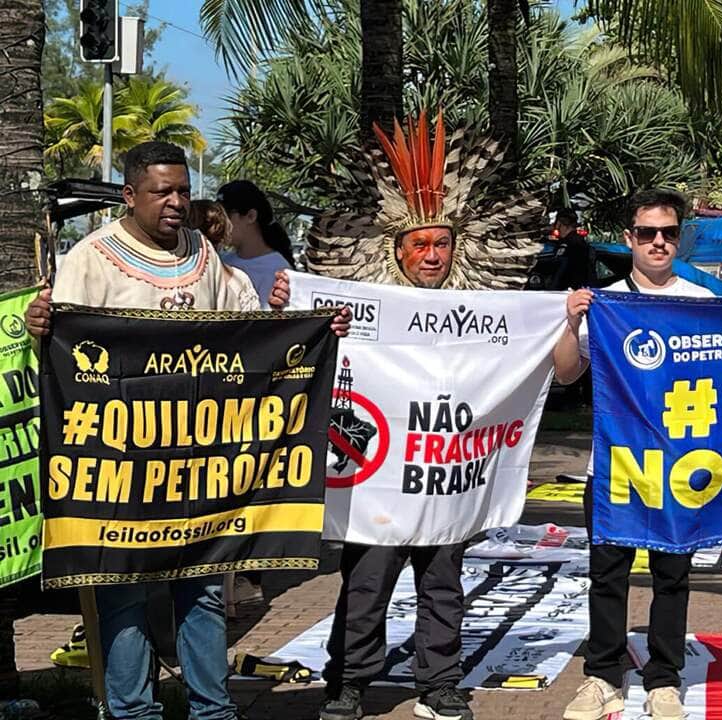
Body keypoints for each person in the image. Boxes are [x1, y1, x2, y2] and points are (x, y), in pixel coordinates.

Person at [24, 141, 351, 720]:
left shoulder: (203, 253)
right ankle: (132, 710)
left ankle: (212, 708)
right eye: (161, 192)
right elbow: (66, 355)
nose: (176, 202)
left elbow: (245, 335)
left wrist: (297, 321)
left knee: (201, 589)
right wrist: (41, 327)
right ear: (130, 196)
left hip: (199, 465)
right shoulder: (92, 258)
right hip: (120, 469)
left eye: (182, 190)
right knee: (120, 588)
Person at [276, 109, 546, 720]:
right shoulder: (360, 302)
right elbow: (310, 347)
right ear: (396, 248)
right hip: (379, 477)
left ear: (459, 247)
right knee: (366, 582)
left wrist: (566, 316)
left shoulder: (484, 305)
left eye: (442, 243)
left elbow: (523, 354)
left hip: (447, 471)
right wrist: (295, 309)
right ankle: (348, 681)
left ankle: (440, 682)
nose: (432, 255)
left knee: (443, 581)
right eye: (420, 244)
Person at [552, 188, 712, 720]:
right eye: (648, 233)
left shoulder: (704, 304)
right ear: (630, 239)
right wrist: (572, 321)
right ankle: (601, 677)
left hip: (682, 469)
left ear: (679, 237)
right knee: (608, 576)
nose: (659, 242)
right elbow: (567, 373)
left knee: (672, 576)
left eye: (668, 232)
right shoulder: (604, 304)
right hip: (614, 466)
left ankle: (664, 680)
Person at [216, 180, 296, 306]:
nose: (218, 223)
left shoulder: (277, 271)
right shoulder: (221, 261)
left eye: (225, 215)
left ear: (251, 216)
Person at [547, 207, 592, 290]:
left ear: (560, 223)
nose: (556, 227)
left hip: (568, 291)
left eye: (557, 224)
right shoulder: (576, 242)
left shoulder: (572, 243)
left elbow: (564, 270)